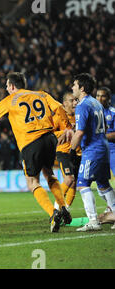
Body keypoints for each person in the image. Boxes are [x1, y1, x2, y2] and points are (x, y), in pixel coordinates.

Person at [0, 72, 73, 233]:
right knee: (49, 173)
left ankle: (52, 213)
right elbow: (59, 108)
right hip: (49, 139)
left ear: (12, 86)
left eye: (7, 86)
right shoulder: (41, 94)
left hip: (30, 142)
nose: (7, 89)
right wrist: (67, 128)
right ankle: (63, 206)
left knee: (32, 182)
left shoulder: (9, 100)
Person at [69, 75, 115, 231]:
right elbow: (106, 129)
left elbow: (80, 132)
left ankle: (93, 221)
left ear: (82, 88)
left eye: (74, 85)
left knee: (82, 183)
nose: (72, 88)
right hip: (104, 147)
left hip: (92, 150)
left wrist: (71, 151)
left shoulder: (82, 105)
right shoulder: (96, 103)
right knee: (103, 184)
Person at [52, 92, 81, 212]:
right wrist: (64, 132)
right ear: (64, 103)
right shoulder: (58, 116)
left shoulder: (79, 115)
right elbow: (50, 134)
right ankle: (56, 208)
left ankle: (66, 210)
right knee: (69, 179)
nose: (74, 103)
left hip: (78, 153)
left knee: (74, 183)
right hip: (63, 152)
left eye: (75, 100)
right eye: (71, 100)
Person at [95, 87, 115, 225]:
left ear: (108, 98)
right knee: (100, 183)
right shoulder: (93, 113)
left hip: (113, 151)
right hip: (98, 152)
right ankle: (111, 207)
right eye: (97, 96)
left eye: (103, 96)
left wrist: (99, 137)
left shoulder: (113, 113)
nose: (100, 98)